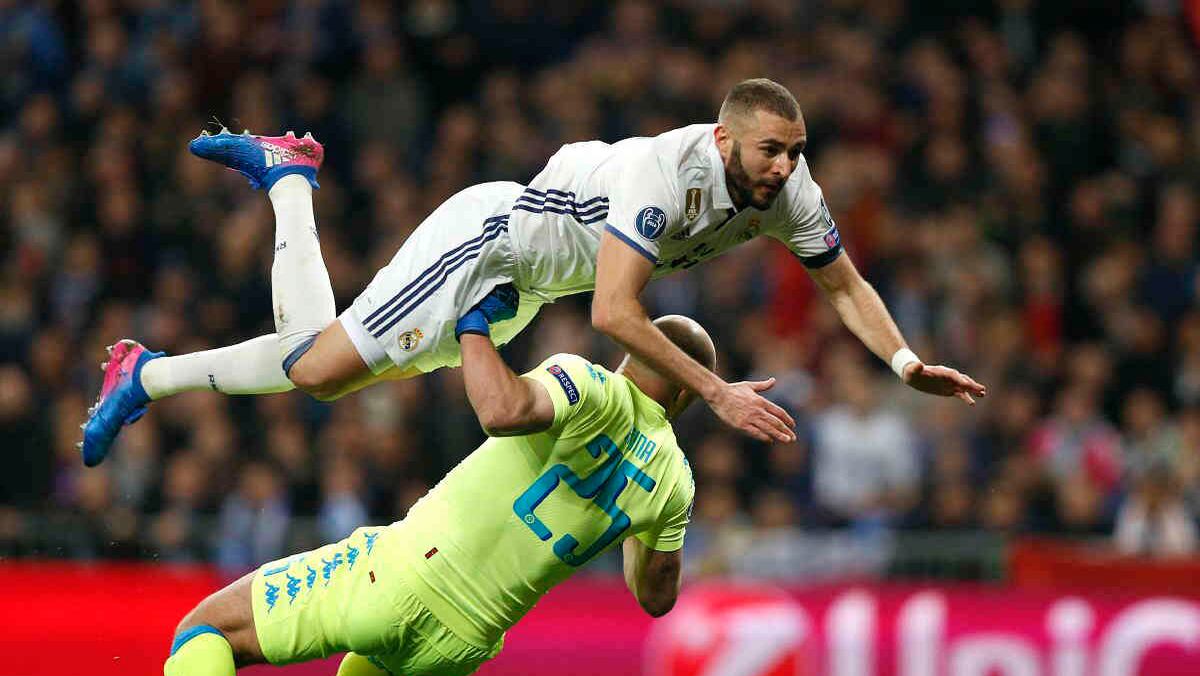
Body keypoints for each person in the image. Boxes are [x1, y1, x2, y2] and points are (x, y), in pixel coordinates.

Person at [82, 78, 985, 466]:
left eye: (796, 152)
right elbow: (617, 315)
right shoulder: (661, 175)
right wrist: (713, 391)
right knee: (315, 369)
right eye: (770, 150)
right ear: (723, 139)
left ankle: (147, 372)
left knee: (319, 371)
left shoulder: (790, 192)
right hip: (486, 242)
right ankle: (286, 183)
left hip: (520, 290)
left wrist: (905, 364)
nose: (787, 168)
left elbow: (846, 285)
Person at [103, 313, 714, 676]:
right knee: (389, 647)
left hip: (402, 574)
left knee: (205, 629)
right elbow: (655, 597)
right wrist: (645, 523)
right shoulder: (673, 483)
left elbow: (502, 410)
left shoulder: (590, 382)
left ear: (631, 350)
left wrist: (474, 328)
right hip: (463, 646)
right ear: (687, 394)